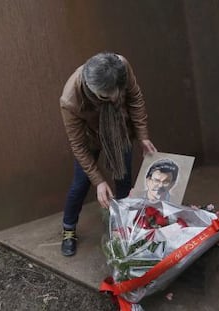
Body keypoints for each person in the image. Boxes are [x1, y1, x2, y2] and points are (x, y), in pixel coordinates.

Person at [60, 52, 157, 256]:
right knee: (80, 184)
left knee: (123, 179)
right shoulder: (70, 100)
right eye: (107, 97)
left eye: (117, 94)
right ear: (93, 89)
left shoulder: (121, 66)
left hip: (120, 131)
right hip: (90, 139)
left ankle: (122, 229)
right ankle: (68, 229)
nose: (114, 99)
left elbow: (135, 98)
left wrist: (142, 136)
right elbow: (78, 146)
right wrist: (99, 181)